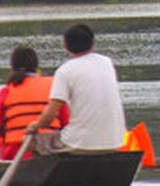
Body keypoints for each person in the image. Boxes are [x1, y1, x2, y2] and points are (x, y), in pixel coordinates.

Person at [26, 23, 128, 153]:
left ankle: (59, 172)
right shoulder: (107, 62)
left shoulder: (65, 71)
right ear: (93, 44)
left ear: (66, 47)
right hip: (115, 141)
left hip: (79, 142)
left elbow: (51, 115)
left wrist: (35, 126)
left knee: (29, 141)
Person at [0, 46, 68, 160]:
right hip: (50, 149)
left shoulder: (6, 91)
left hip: (15, 152)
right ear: (36, 66)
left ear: (13, 67)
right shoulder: (54, 85)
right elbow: (66, 122)